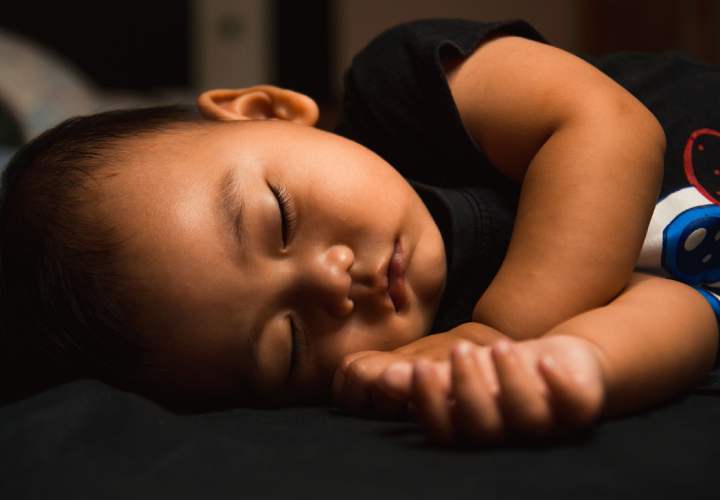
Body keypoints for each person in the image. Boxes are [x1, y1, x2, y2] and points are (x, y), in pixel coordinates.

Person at [1, 19, 718, 446]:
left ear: (265, 109)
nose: (329, 282)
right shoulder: (423, 364)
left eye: (279, 218)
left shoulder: (411, 94)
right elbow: (688, 314)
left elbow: (609, 126)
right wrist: (566, 370)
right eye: (288, 344)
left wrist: (505, 331)